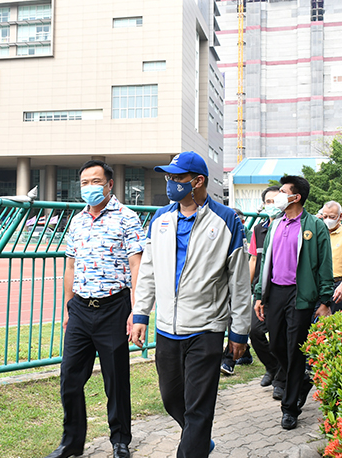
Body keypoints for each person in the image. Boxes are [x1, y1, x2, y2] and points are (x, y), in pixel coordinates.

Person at [131, 151, 252, 457]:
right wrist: (141, 314)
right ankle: (198, 440)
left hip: (206, 328)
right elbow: (148, 271)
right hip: (167, 328)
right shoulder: (160, 219)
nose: (170, 182)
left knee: (199, 408)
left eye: (177, 178)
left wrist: (239, 332)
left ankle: (192, 446)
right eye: (168, 177)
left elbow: (239, 282)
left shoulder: (226, 221)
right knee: (172, 399)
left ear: (198, 181)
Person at [46, 160, 144, 458]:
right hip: (79, 308)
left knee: (116, 379)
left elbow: (137, 265)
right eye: (85, 182)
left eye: (96, 181)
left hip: (114, 307)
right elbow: (70, 266)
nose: (90, 187)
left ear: (110, 184)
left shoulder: (127, 218)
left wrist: (136, 311)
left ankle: (120, 440)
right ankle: (71, 441)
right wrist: (68, 307)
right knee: (70, 377)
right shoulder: (77, 221)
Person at [253, 175, 333, 430]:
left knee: (295, 348)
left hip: (301, 294)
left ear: (296, 197)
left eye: (283, 191)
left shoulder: (315, 226)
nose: (278, 196)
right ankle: (302, 378)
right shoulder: (275, 224)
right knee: (277, 345)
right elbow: (265, 262)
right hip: (275, 292)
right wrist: (259, 295)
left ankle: (290, 409)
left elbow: (324, 264)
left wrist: (325, 299)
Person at [245, 187, 286, 399]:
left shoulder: (289, 227)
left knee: (279, 337)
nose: (272, 205)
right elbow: (253, 260)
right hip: (261, 291)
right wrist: (247, 286)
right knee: (255, 331)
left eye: (275, 201)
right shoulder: (258, 230)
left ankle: (281, 381)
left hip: (281, 289)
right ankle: (272, 367)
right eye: (268, 201)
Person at [220, 210, 255, 376]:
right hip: (223, 283)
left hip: (241, 283)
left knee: (236, 319)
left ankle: (229, 360)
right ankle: (245, 353)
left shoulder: (249, 236)